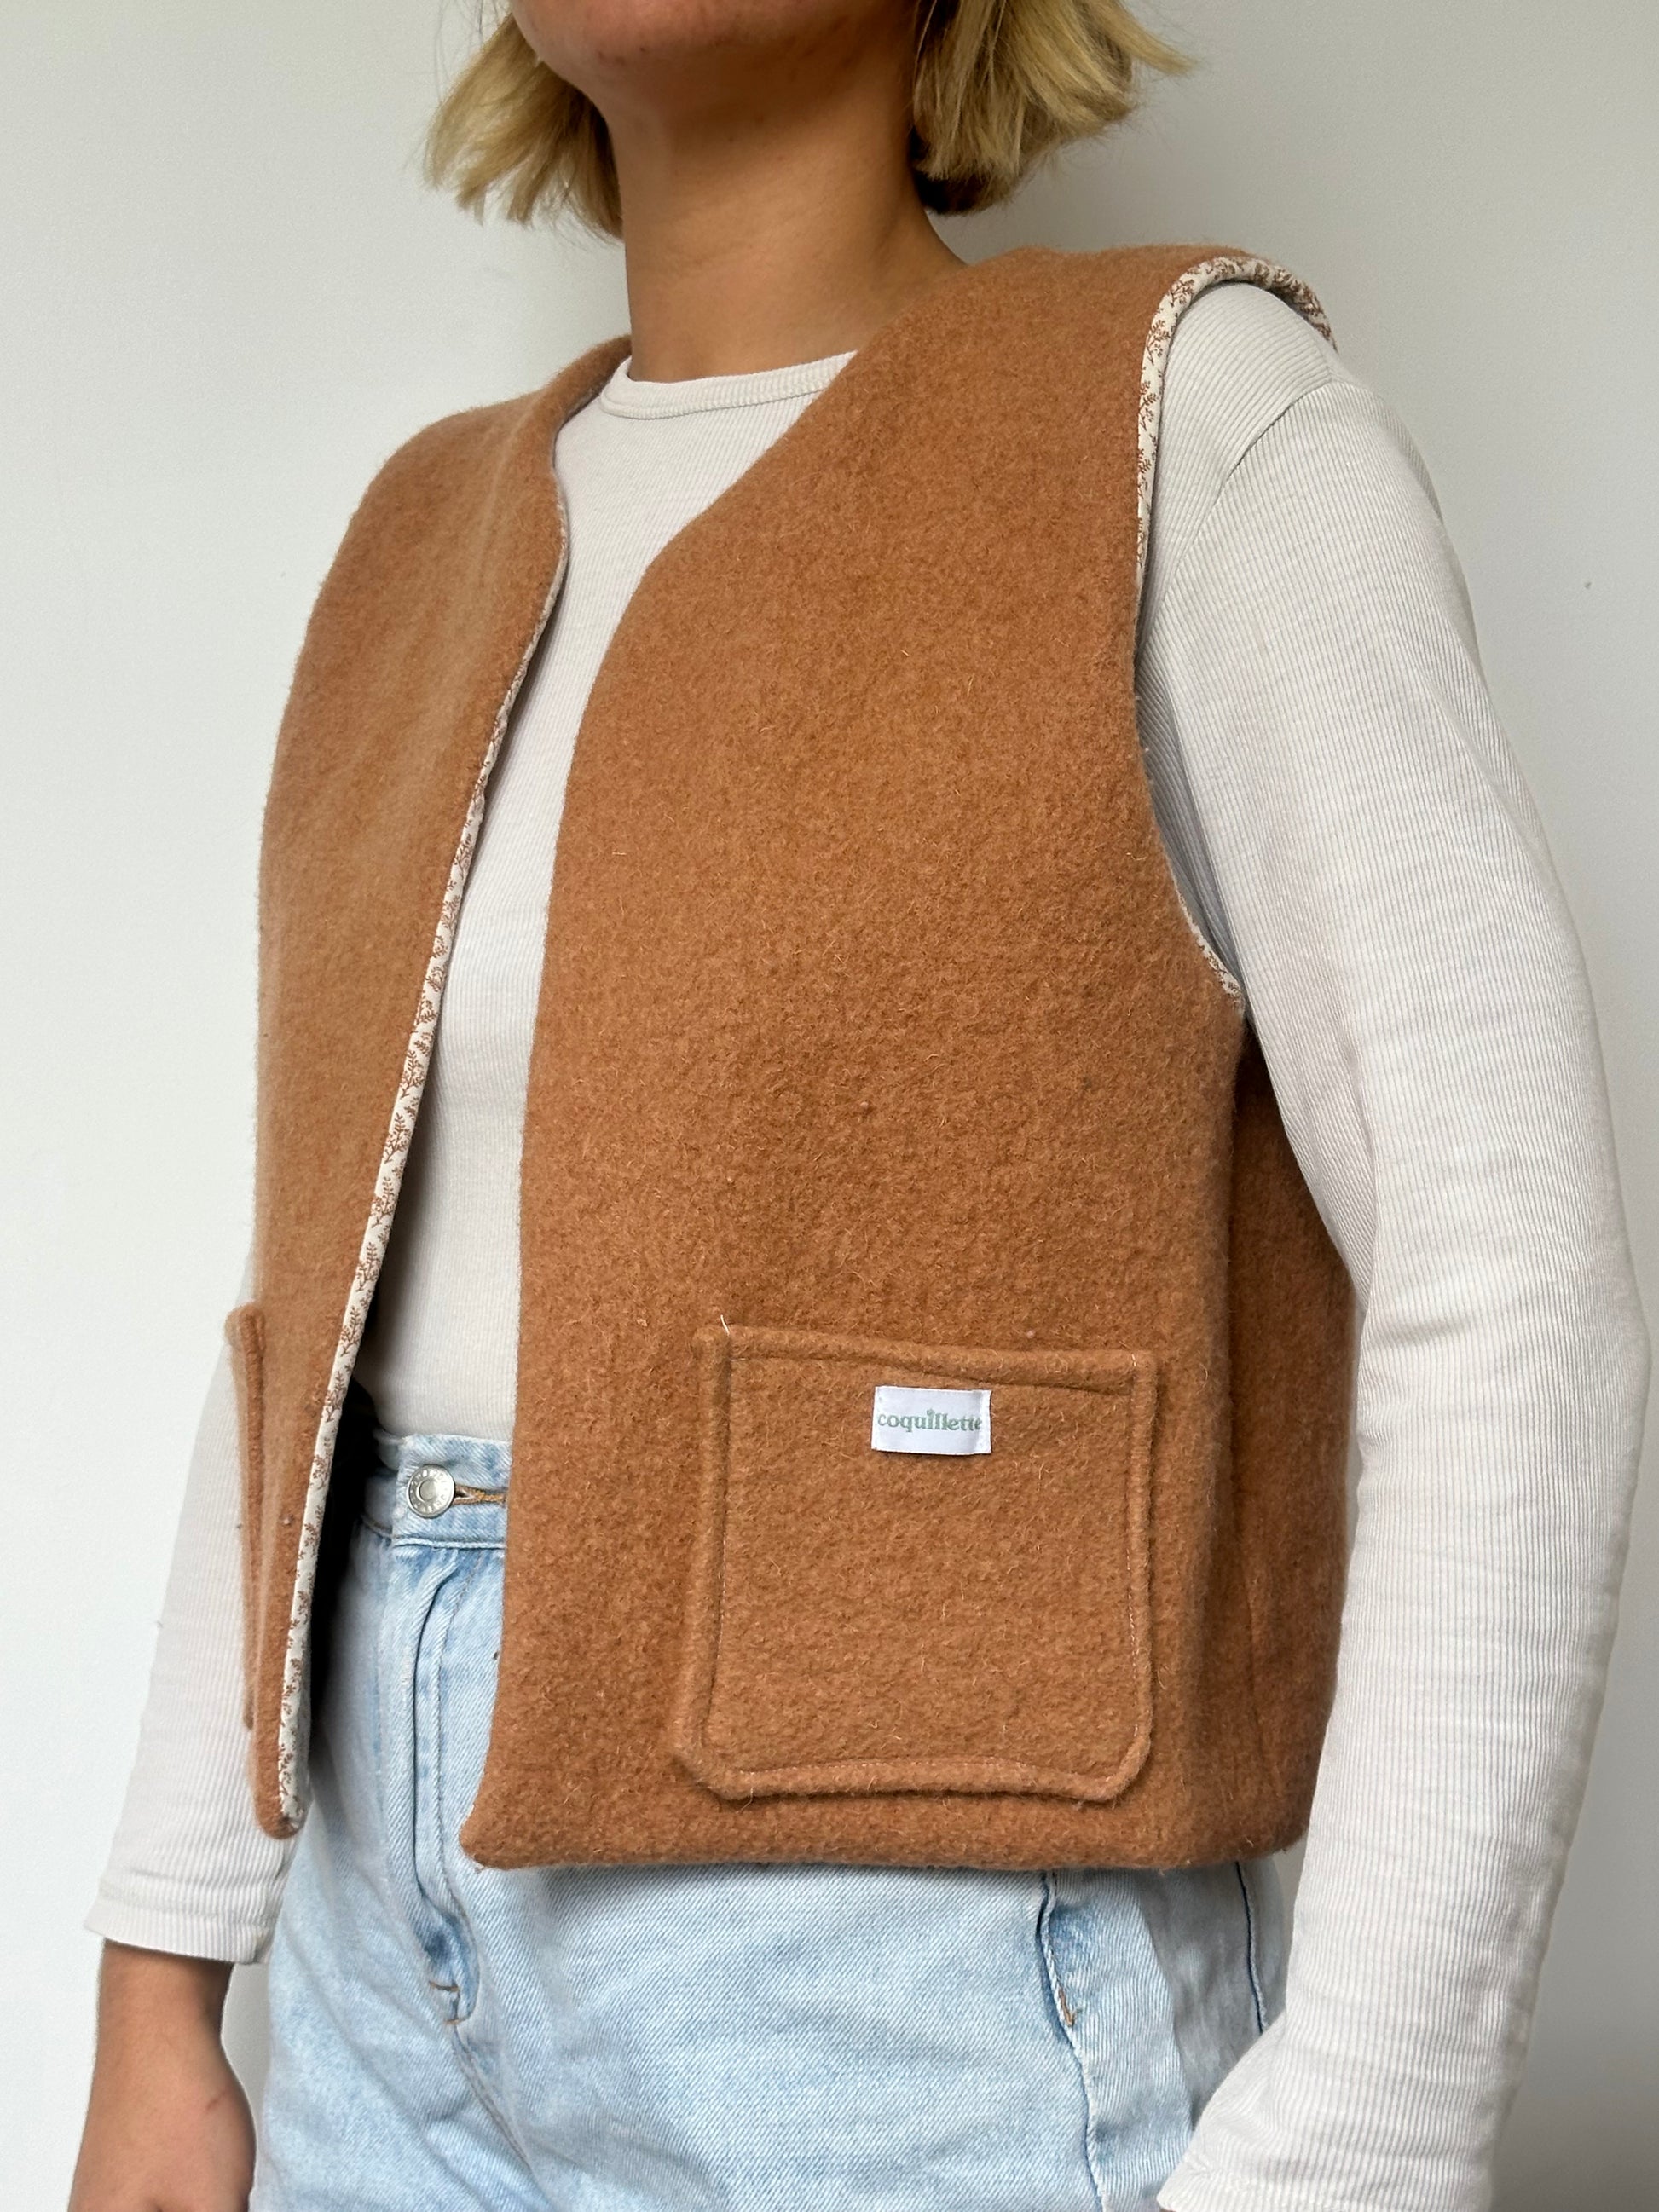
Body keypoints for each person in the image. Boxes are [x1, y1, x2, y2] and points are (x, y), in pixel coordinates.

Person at [70, 3, 1648, 2209]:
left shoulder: (1189, 420)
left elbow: (1508, 1278)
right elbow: (305, 1315)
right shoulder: (421, 532)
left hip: (915, 1996)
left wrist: (1370, 2132)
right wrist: (160, 1988)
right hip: (367, 1993)